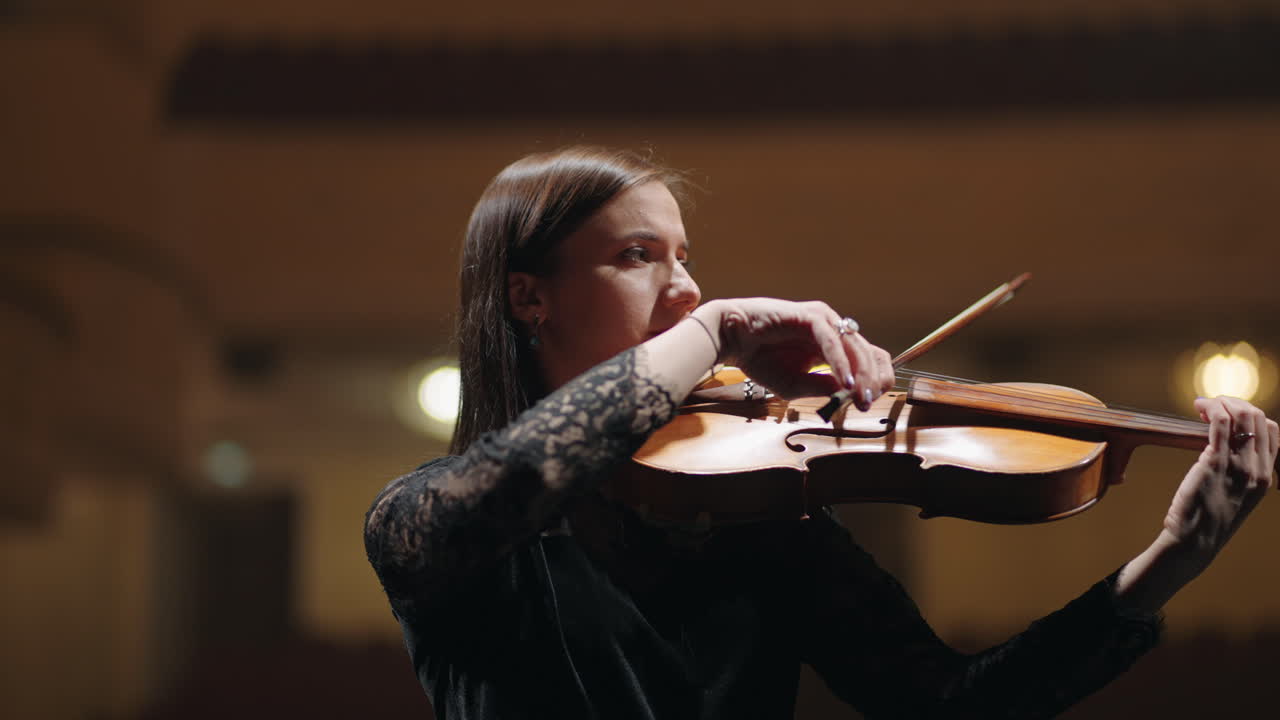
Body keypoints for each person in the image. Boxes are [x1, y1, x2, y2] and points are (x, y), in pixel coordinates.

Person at [364, 146, 1278, 719]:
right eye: (637, 256)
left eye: (688, 260)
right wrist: (715, 328)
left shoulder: (756, 520)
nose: (682, 288)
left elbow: (946, 705)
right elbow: (526, 478)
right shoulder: (427, 519)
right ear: (528, 294)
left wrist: (1173, 558)